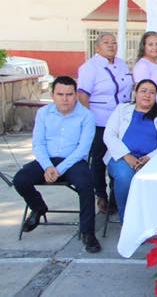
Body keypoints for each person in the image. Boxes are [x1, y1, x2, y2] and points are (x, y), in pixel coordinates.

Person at [13, 76, 101, 252]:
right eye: (60, 94)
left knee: (86, 184)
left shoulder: (87, 116)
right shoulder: (43, 113)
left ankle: (88, 232)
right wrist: (47, 166)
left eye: (69, 94)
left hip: (73, 161)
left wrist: (58, 170)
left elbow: (82, 150)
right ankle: (38, 208)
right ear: (52, 95)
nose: (65, 98)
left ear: (76, 95)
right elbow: (38, 144)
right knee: (20, 179)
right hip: (47, 159)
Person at [77, 32, 133, 214]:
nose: (111, 45)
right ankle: (101, 195)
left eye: (114, 42)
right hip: (100, 120)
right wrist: (88, 120)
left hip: (121, 120)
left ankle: (116, 196)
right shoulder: (89, 67)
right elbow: (83, 95)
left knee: (118, 156)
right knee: (100, 160)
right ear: (98, 47)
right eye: (106, 42)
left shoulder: (121, 64)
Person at [103, 80, 157, 220]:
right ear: (136, 93)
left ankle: (153, 220)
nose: (147, 95)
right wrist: (127, 156)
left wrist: (149, 158)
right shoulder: (122, 109)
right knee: (125, 177)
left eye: (152, 92)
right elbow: (109, 135)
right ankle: (128, 221)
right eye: (143, 91)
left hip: (152, 160)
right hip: (122, 159)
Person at [132, 31, 157, 106]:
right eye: (150, 44)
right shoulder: (142, 65)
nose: (155, 47)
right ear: (144, 47)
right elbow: (142, 92)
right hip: (149, 108)